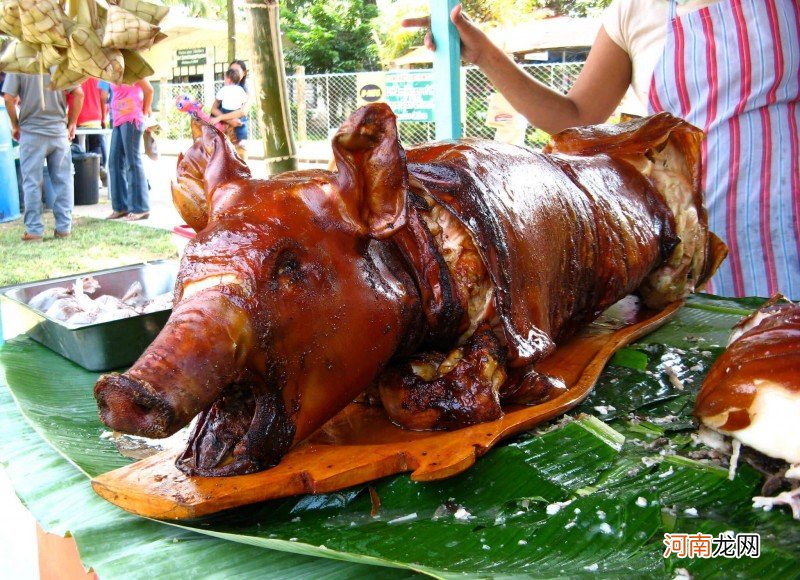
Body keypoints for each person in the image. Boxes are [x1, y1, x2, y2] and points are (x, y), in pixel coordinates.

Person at [404, 0, 799, 300]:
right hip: (692, 234)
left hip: (787, 216)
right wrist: (482, 55)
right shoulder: (635, 10)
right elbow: (575, 116)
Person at [2, 72, 84, 241]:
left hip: (31, 133)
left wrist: (15, 125)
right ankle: (64, 228)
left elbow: (9, 98)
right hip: (58, 131)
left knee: (32, 182)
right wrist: (73, 122)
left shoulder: (19, 60)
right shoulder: (59, 60)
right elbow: (79, 93)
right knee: (64, 181)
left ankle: (34, 230)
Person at [107, 78, 153, 221]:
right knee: (114, 162)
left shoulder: (133, 68)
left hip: (132, 118)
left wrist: (144, 113)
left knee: (132, 162)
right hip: (118, 119)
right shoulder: (114, 70)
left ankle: (141, 208)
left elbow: (149, 90)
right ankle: (121, 207)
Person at [68, 77, 109, 186]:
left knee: (77, 150)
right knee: (96, 146)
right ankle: (97, 174)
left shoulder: (74, 73)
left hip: (76, 118)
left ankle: (80, 180)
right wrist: (103, 118)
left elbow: (67, 96)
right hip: (95, 117)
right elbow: (104, 97)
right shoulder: (100, 74)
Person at [210, 59, 249, 161]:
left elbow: (243, 111)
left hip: (236, 136)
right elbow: (213, 109)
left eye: (237, 71)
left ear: (244, 73)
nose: (233, 73)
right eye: (231, 70)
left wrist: (221, 117)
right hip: (221, 130)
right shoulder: (224, 90)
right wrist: (228, 120)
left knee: (240, 163)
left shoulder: (245, 91)